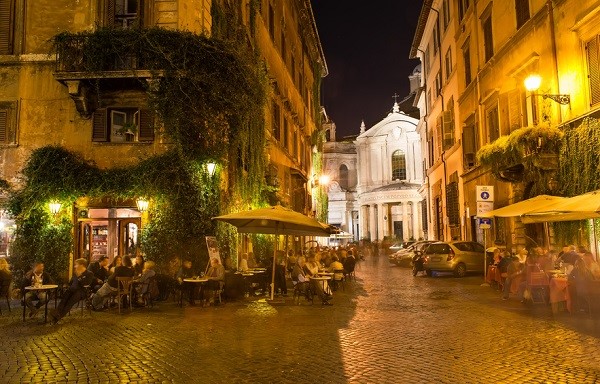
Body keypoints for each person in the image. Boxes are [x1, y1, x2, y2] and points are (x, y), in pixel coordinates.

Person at [49, 258, 95, 324]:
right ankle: (57, 314)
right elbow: (70, 283)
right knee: (64, 300)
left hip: (81, 292)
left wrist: (79, 276)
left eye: (76, 265)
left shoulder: (89, 273)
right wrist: (66, 285)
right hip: (71, 290)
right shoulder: (75, 273)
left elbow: (85, 283)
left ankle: (57, 317)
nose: (74, 266)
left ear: (81, 265)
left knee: (70, 302)